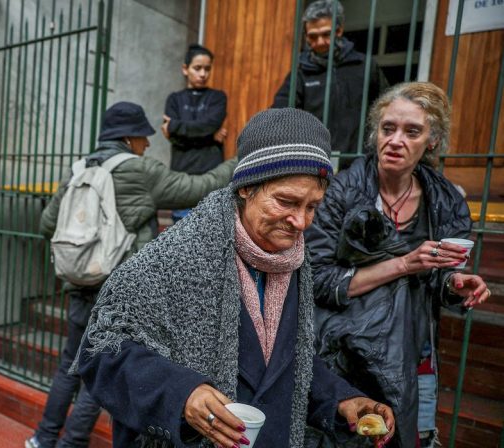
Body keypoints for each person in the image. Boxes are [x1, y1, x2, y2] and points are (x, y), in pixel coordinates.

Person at [74, 108, 396, 448]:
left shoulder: (293, 260)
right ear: (246, 188)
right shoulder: (174, 257)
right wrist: (183, 394)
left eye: (312, 206)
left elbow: (282, 363)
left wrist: (340, 399)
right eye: (286, 201)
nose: (300, 221)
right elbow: (105, 350)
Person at [26, 101, 237, 448]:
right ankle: (71, 443)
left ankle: (43, 438)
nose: (148, 144)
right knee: (105, 372)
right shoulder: (138, 170)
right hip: (118, 292)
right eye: (143, 137)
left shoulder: (78, 168)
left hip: (79, 283)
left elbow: (47, 223)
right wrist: (242, 155)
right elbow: (199, 187)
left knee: (70, 365)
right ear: (128, 137)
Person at [305, 82, 490, 448]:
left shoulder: (446, 201)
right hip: (343, 347)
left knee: (402, 435)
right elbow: (318, 280)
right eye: (388, 128)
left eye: (412, 131)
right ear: (375, 132)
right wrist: (405, 263)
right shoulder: (341, 191)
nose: (395, 140)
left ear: (431, 141)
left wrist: (454, 284)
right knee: (345, 435)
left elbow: (437, 280)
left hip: (410, 344)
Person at [272, 0, 388, 169]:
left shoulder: (365, 66)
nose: (319, 42)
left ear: (339, 30)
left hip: (360, 163)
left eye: (327, 34)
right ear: (306, 37)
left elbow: (386, 107)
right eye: (312, 36)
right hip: (313, 162)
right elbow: (280, 113)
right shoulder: (300, 72)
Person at [162, 43, 228, 222]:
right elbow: (177, 138)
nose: (203, 74)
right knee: (181, 242)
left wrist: (176, 126)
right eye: (197, 68)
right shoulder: (174, 100)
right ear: (185, 69)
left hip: (211, 178)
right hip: (182, 178)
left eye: (207, 69)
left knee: (211, 239)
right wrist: (210, 136)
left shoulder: (218, 97)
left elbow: (209, 124)